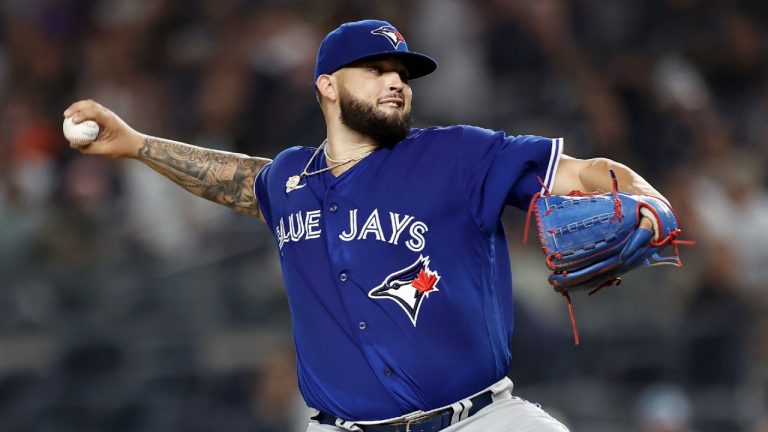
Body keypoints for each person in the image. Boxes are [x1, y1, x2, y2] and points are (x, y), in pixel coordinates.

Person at [64, 19, 665, 432]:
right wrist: (139, 145)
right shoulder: (292, 179)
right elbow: (245, 179)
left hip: (479, 420)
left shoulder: (457, 154)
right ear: (327, 85)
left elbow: (584, 174)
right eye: (375, 68)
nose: (396, 80)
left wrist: (645, 198)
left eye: (402, 71)